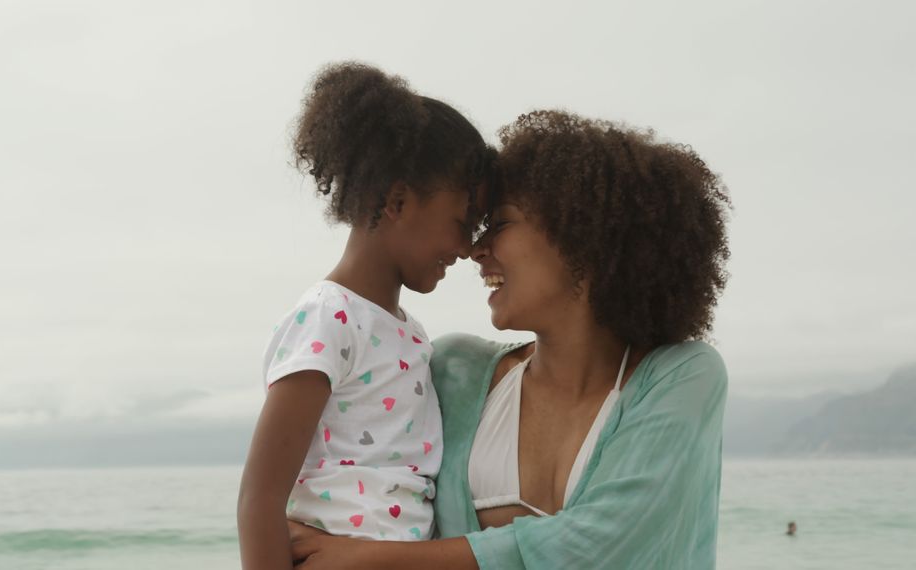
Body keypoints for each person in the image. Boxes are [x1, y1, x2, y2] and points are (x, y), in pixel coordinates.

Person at [290, 110, 732, 569]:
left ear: (581, 235)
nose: (475, 250)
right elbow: (353, 480)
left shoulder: (682, 377)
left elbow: (603, 543)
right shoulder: (452, 370)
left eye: (499, 225)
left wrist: (368, 559)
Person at [236, 61, 494, 570]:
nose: (466, 248)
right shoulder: (327, 319)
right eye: (460, 224)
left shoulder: (411, 335)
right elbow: (260, 498)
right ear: (397, 201)